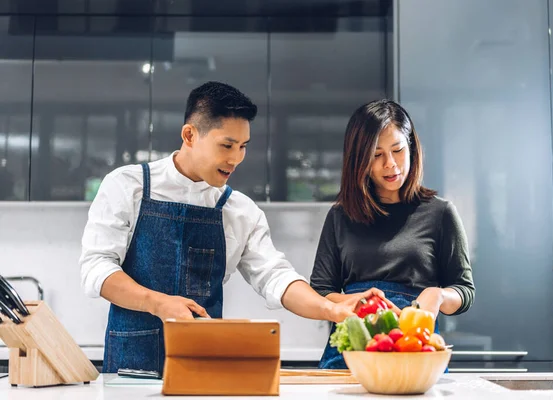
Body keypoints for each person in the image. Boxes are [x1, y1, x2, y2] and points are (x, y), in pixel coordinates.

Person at [79, 82, 387, 374]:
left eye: (243, 146)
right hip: (129, 371)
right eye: (227, 145)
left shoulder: (240, 210)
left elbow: (275, 278)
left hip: (204, 367)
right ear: (189, 135)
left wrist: (329, 309)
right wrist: (156, 302)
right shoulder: (128, 186)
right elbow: (97, 268)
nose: (236, 158)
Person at [310, 99, 475, 369]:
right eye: (376, 155)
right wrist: (358, 302)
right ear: (359, 160)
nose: (390, 164)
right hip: (353, 349)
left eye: (397, 150)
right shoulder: (340, 216)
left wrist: (438, 296)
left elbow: (464, 290)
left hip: (414, 345)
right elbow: (321, 292)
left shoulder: (441, 213)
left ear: (411, 147)